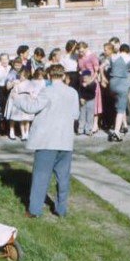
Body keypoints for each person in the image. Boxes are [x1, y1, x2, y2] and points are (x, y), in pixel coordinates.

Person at [12, 64, 79, 218]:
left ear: (49, 76)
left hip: (47, 140)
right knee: (63, 178)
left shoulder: (47, 91)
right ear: (63, 76)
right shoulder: (73, 93)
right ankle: (61, 209)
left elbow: (30, 108)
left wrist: (17, 98)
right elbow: (75, 114)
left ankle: (34, 210)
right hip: (66, 140)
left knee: (41, 176)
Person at [100, 43, 130, 142]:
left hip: (112, 83)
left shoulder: (113, 57)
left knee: (119, 105)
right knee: (120, 109)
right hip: (122, 84)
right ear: (128, 51)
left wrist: (103, 78)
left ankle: (125, 126)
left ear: (120, 50)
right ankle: (116, 132)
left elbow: (101, 67)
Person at [76, 41, 101, 133]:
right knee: (83, 106)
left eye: (82, 51)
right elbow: (80, 69)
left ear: (86, 48)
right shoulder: (79, 57)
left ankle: (94, 125)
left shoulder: (92, 56)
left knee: (93, 105)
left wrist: (90, 81)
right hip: (82, 82)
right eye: (79, 51)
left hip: (91, 82)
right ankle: (82, 127)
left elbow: (96, 71)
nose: (80, 53)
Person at [4, 68, 32, 141]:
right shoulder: (16, 81)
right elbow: (11, 89)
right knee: (12, 115)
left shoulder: (29, 82)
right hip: (15, 98)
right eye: (21, 75)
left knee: (24, 117)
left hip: (24, 99)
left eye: (24, 76)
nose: (22, 77)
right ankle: (11, 131)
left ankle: (25, 134)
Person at [99, 42, 117, 129]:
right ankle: (107, 122)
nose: (104, 51)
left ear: (111, 50)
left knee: (113, 102)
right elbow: (101, 67)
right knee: (105, 102)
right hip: (106, 81)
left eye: (105, 50)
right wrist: (102, 77)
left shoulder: (115, 58)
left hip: (113, 80)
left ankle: (114, 122)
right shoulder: (105, 58)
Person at [78, 69, 96, 136]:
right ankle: (80, 129)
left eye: (85, 77)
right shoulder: (81, 84)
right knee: (82, 115)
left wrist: (87, 85)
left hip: (90, 101)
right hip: (83, 101)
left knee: (90, 116)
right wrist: (80, 98)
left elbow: (92, 92)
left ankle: (88, 130)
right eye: (83, 77)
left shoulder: (93, 83)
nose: (84, 79)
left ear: (89, 77)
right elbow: (79, 92)